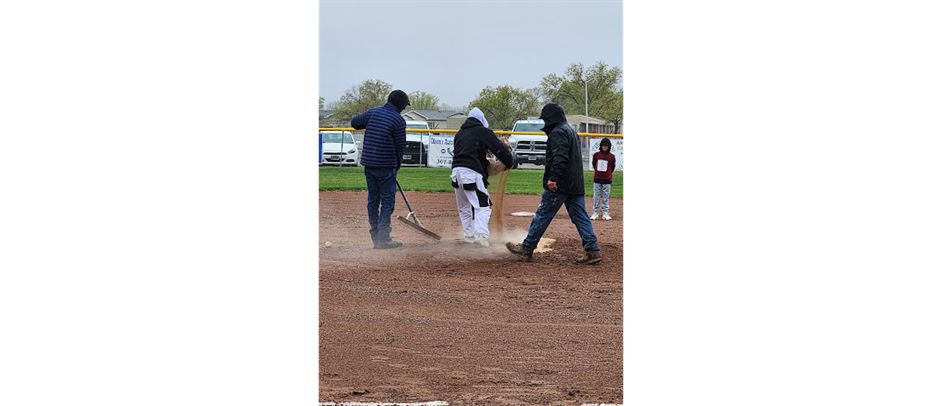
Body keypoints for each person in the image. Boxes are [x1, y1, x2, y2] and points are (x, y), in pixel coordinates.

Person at [505, 103, 601, 264]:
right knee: (581, 217)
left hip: (560, 184)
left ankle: (527, 248)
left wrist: (553, 178)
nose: (544, 123)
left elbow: (560, 157)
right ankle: (592, 250)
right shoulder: (570, 130)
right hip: (575, 183)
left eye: (545, 119)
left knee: (543, 214)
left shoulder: (558, 132)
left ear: (551, 118)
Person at [351, 89, 410, 249]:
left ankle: (376, 237)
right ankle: (383, 239)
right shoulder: (398, 120)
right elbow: (400, 148)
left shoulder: (373, 112)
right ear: (401, 105)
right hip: (386, 165)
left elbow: (354, 123)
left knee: (373, 201)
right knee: (388, 202)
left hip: (369, 163)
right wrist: (396, 166)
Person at [451, 107, 513, 248]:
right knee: (483, 205)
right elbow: (498, 148)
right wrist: (509, 161)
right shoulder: (483, 131)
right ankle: (481, 235)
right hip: (471, 172)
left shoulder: (460, 133)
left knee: (464, 207)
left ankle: (469, 235)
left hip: (456, 172)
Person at [590, 138, 616, 221]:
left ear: (609, 147)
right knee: (596, 196)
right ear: (601, 146)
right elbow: (594, 164)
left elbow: (612, 167)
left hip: (607, 179)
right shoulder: (596, 155)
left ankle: (605, 212)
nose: (605, 147)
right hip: (597, 178)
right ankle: (595, 212)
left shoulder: (611, 157)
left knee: (605, 196)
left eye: (606, 146)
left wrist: (608, 174)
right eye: (603, 145)